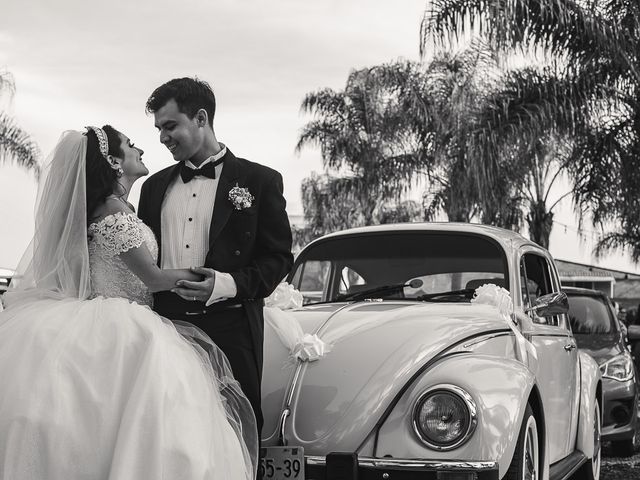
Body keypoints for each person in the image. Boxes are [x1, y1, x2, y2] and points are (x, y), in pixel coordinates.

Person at [0, 127, 257, 479]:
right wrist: (211, 277)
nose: (140, 148)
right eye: (131, 145)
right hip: (122, 323)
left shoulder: (119, 207)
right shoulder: (113, 211)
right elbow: (152, 277)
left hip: (117, 316)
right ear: (115, 162)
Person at [139, 77, 293, 438]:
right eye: (159, 128)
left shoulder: (260, 181)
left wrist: (226, 284)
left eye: (170, 125)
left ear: (201, 118)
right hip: (167, 330)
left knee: (237, 431)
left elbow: (278, 259)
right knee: (171, 435)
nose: (163, 137)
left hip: (232, 328)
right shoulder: (153, 187)